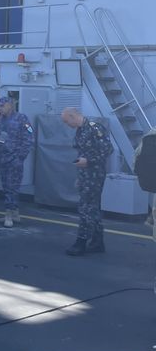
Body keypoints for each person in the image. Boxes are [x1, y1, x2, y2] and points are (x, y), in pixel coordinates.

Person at [61, 108, 113, 256]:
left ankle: (81, 242)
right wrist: (80, 176)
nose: (67, 124)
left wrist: (89, 161)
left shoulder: (94, 128)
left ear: (72, 116)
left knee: (85, 208)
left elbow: (108, 149)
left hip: (94, 175)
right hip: (86, 175)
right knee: (93, 209)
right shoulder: (80, 130)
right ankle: (97, 241)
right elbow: (82, 153)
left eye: (66, 121)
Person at [0, 96, 33, 228]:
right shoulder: (0, 120)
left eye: (2, 106)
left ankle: (8, 215)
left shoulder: (22, 118)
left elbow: (29, 136)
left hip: (14, 160)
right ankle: (15, 213)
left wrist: (20, 157)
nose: (0, 108)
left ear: (10, 105)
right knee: (7, 187)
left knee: (12, 187)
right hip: (2, 159)